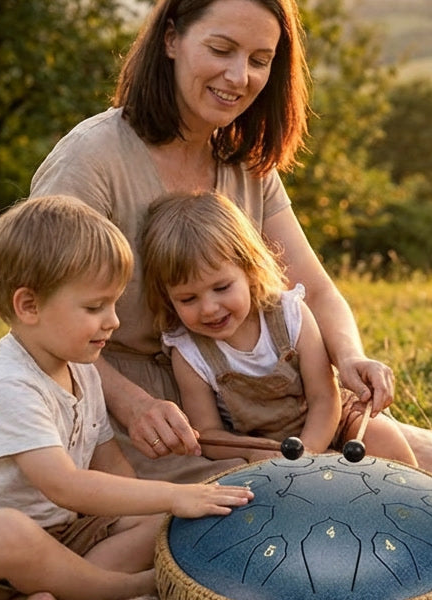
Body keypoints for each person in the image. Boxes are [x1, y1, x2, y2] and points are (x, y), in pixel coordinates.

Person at [30, 0, 432, 493]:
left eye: (260, 60)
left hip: (256, 405)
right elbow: (42, 325)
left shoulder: (245, 161)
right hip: (135, 414)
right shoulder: (92, 160)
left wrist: (350, 354)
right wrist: (135, 406)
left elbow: (311, 287)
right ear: (172, 39)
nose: (239, 77)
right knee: (254, 512)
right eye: (220, 50)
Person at [0, 195, 253, 600]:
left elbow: (111, 467)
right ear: (28, 306)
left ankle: (51, 596)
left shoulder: (82, 368)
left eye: (115, 304)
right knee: (5, 531)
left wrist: (164, 508)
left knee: (157, 522)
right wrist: (179, 494)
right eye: (94, 307)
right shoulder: (6, 383)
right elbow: (65, 486)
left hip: (60, 536)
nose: (113, 321)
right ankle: (120, 588)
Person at [141, 190, 418, 464]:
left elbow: (324, 398)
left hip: (331, 420)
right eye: (188, 299)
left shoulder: (289, 314)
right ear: (168, 298)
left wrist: (306, 457)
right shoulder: (189, 352)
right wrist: (253, 451)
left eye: (222, 287)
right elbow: (209, 435)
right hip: (261, 445)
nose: (209, 308)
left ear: (249, 270)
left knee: (388, 443)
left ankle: (416, 502)